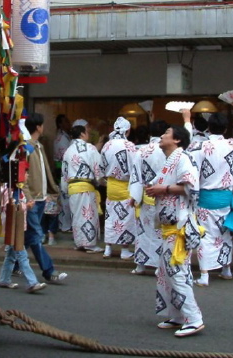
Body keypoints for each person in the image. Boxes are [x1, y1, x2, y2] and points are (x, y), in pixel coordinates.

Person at [145, 125, 204, 338]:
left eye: (167, 133)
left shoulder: (183, 159)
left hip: (179, 227)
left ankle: (194, 318)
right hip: (170, 227)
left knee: (177, 273)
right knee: (167, 272)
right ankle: (178, 315)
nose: (162, 135)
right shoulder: (172, 160)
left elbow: (191, 187)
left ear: (177, 140)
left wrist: (163, 189)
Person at [186, 108, 233, 286]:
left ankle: (205, 275)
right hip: (225, 198)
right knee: (225, 235)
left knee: (205, 236)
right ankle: (226, 269)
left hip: (207, 198)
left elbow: (190, 171)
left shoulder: (200, 147)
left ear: (209, 127)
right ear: (225, 129)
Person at [23, 113, 68, 284]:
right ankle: (48, 271)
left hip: (40, 196)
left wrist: (52, 189)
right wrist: (28, 197)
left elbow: (45, 171)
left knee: (28, 236)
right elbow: (23, 176)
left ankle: (13, 265)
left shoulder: (39, 146)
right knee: (35, 234)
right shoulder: (27, 147)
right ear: (38, 127)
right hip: (33, 198)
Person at [129, 119, 169, 274]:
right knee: (162, 233)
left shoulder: (142, 151)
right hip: (165, 195)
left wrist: (134, 196)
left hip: (146, 196)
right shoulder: (169, 150)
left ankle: (141, 264)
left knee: (144, 232)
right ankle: (160, 266)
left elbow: (136, 176)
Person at [61, 123, 105, 253]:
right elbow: (98, 167)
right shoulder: (89, 148)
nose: (88, 134)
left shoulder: (68, 150)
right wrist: (101, 181)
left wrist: (65, 189)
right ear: (82, 134)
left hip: (72, 188)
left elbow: (64, 173)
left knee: (77, 217)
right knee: (88, 215)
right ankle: (89, 244)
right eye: (87, 132)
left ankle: (79, 242)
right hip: (86, 187)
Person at [0, 182, 48, 293]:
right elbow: (9, 208)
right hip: (13, 227)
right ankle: (32, 282)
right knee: (22, 255)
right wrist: (26, 206)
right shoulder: (9, 190)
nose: (27, 176)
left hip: (18, 226)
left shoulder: (19, 190)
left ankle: (4, 279)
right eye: (25, 172)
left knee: (11, 255)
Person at [100, 117, 139, 259]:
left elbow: (101, 167)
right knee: (126, 218)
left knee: (110, 217)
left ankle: (108, 248)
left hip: (111, 186)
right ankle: (124, 249)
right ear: (127, 130)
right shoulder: (130, 146)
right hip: (125, 186)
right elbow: (136, 168)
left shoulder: (106, 145)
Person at [53, 114, 73, 233]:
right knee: (64, 199)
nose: (68, 124)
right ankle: (64, 225)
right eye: (66, 122)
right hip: (62, 169)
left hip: (64, 169)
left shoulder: (65, 137)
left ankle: (66, 224)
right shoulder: (61, 139)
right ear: (60, 124)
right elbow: (66, 157)